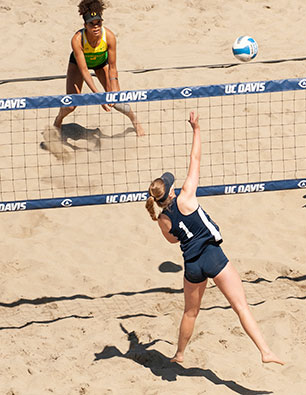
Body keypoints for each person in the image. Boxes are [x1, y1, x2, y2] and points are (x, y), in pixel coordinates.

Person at [145, 111, 283, 365]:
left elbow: (174, 241)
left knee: (190, 312)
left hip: (192, 265)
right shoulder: (186, 197)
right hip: (212, 256)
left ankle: (179, 353)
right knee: (240, 306)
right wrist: (196, 129)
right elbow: (195, 157)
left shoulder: (162, 219)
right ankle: (265, 351)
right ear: (172, 190)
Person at [54, 0, 145, 136]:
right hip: (78, 66)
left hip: (101, 63)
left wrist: (113, 89)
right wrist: (99, 97)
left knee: (118, 101)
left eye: (99, 23)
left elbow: (113, 67)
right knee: (71, 104)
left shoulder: (109, 36)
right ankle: (58, 120)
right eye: (92, 24)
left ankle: (135, 120)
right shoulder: (77, 39)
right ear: (85, 25)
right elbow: (85, 71)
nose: (96, 27)